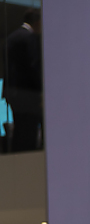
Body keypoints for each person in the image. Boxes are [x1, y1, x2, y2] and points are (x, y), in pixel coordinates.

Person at [4, 9, 43, 152]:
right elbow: (33, 66)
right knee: (28, 133)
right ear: (37, 21)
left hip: (13, 92)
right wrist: (41, 89)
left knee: (20, 131)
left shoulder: (12, 37)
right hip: (28, 94)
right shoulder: (29, 37)